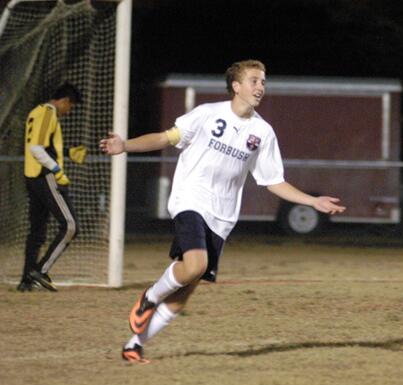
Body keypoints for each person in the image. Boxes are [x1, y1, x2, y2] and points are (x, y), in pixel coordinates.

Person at [99, 59, 346, 364]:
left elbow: (273, 181)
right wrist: (125, 145)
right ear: (236, 86)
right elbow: (165, 137)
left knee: (187, 289)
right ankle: (148, 297)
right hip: (190, 200)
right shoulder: (206, 114)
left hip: (222, 217)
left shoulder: (263, 132)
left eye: (264, 82)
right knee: (195, 265)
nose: (260, 87)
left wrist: (311, 201)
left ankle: (134, 344)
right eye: (254, 81)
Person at [18, 82, 86, 292]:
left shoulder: (37, 111)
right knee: (71, 225)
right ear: (64, 101)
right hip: (45, 177)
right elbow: (36, 148)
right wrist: (56, 169)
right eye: (71, 106)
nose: (69, 111)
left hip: (33, 178)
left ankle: (26, 280)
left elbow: (42, 146)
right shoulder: (49, 112)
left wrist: (67, 152)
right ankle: (41, 270)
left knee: (37, 232)